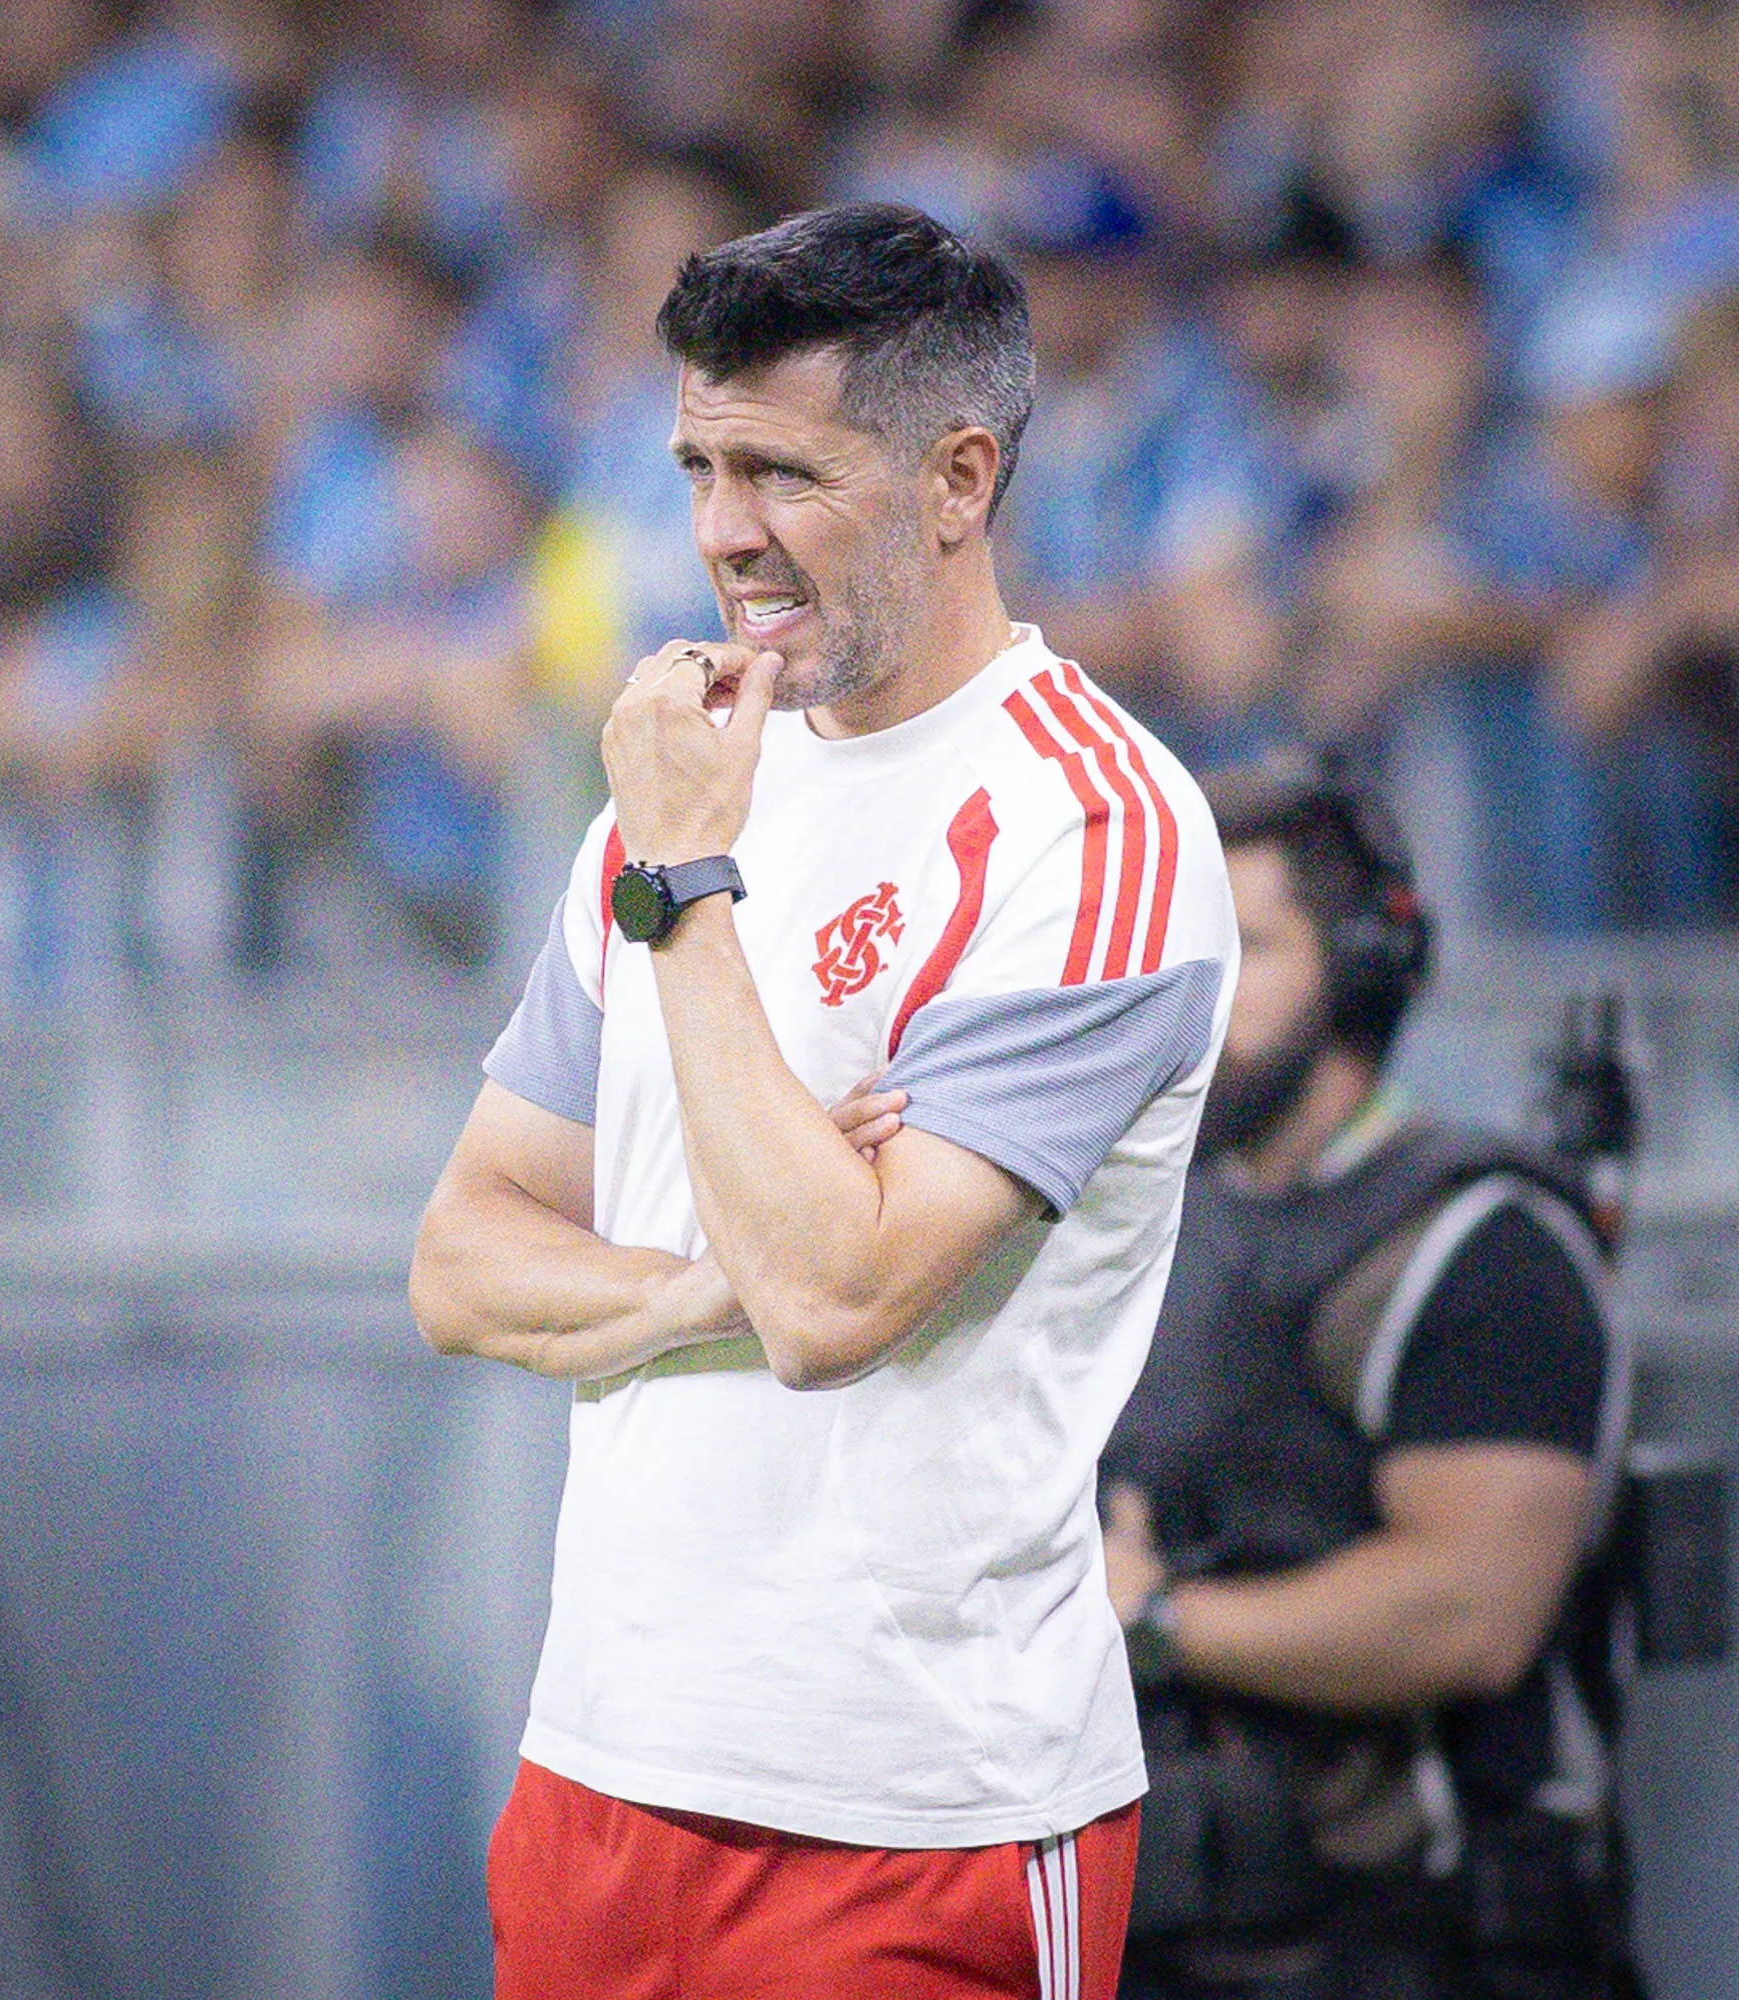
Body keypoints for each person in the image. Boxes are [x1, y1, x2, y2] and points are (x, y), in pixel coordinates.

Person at [410, 201, 1238, 2000]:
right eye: (698, 465)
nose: (720, 534)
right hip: (600, 1775)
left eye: (782, 473)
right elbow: (464, 1261)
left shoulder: (1093, 828)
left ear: (957, 477)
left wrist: (690, 885)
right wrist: (693, 1286)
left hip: (915, 1814)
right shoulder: (682, 773)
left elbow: (836, 1300)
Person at [1093, 768, 1638, 1998]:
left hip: (1420, 1940)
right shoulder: (1156, 1221)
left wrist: (1157, 1623)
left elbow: (1472, 1608)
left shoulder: (1479, 1245)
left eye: (1248, 947)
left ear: (1359, 972)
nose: (1198, 990)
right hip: (1187, 1926)